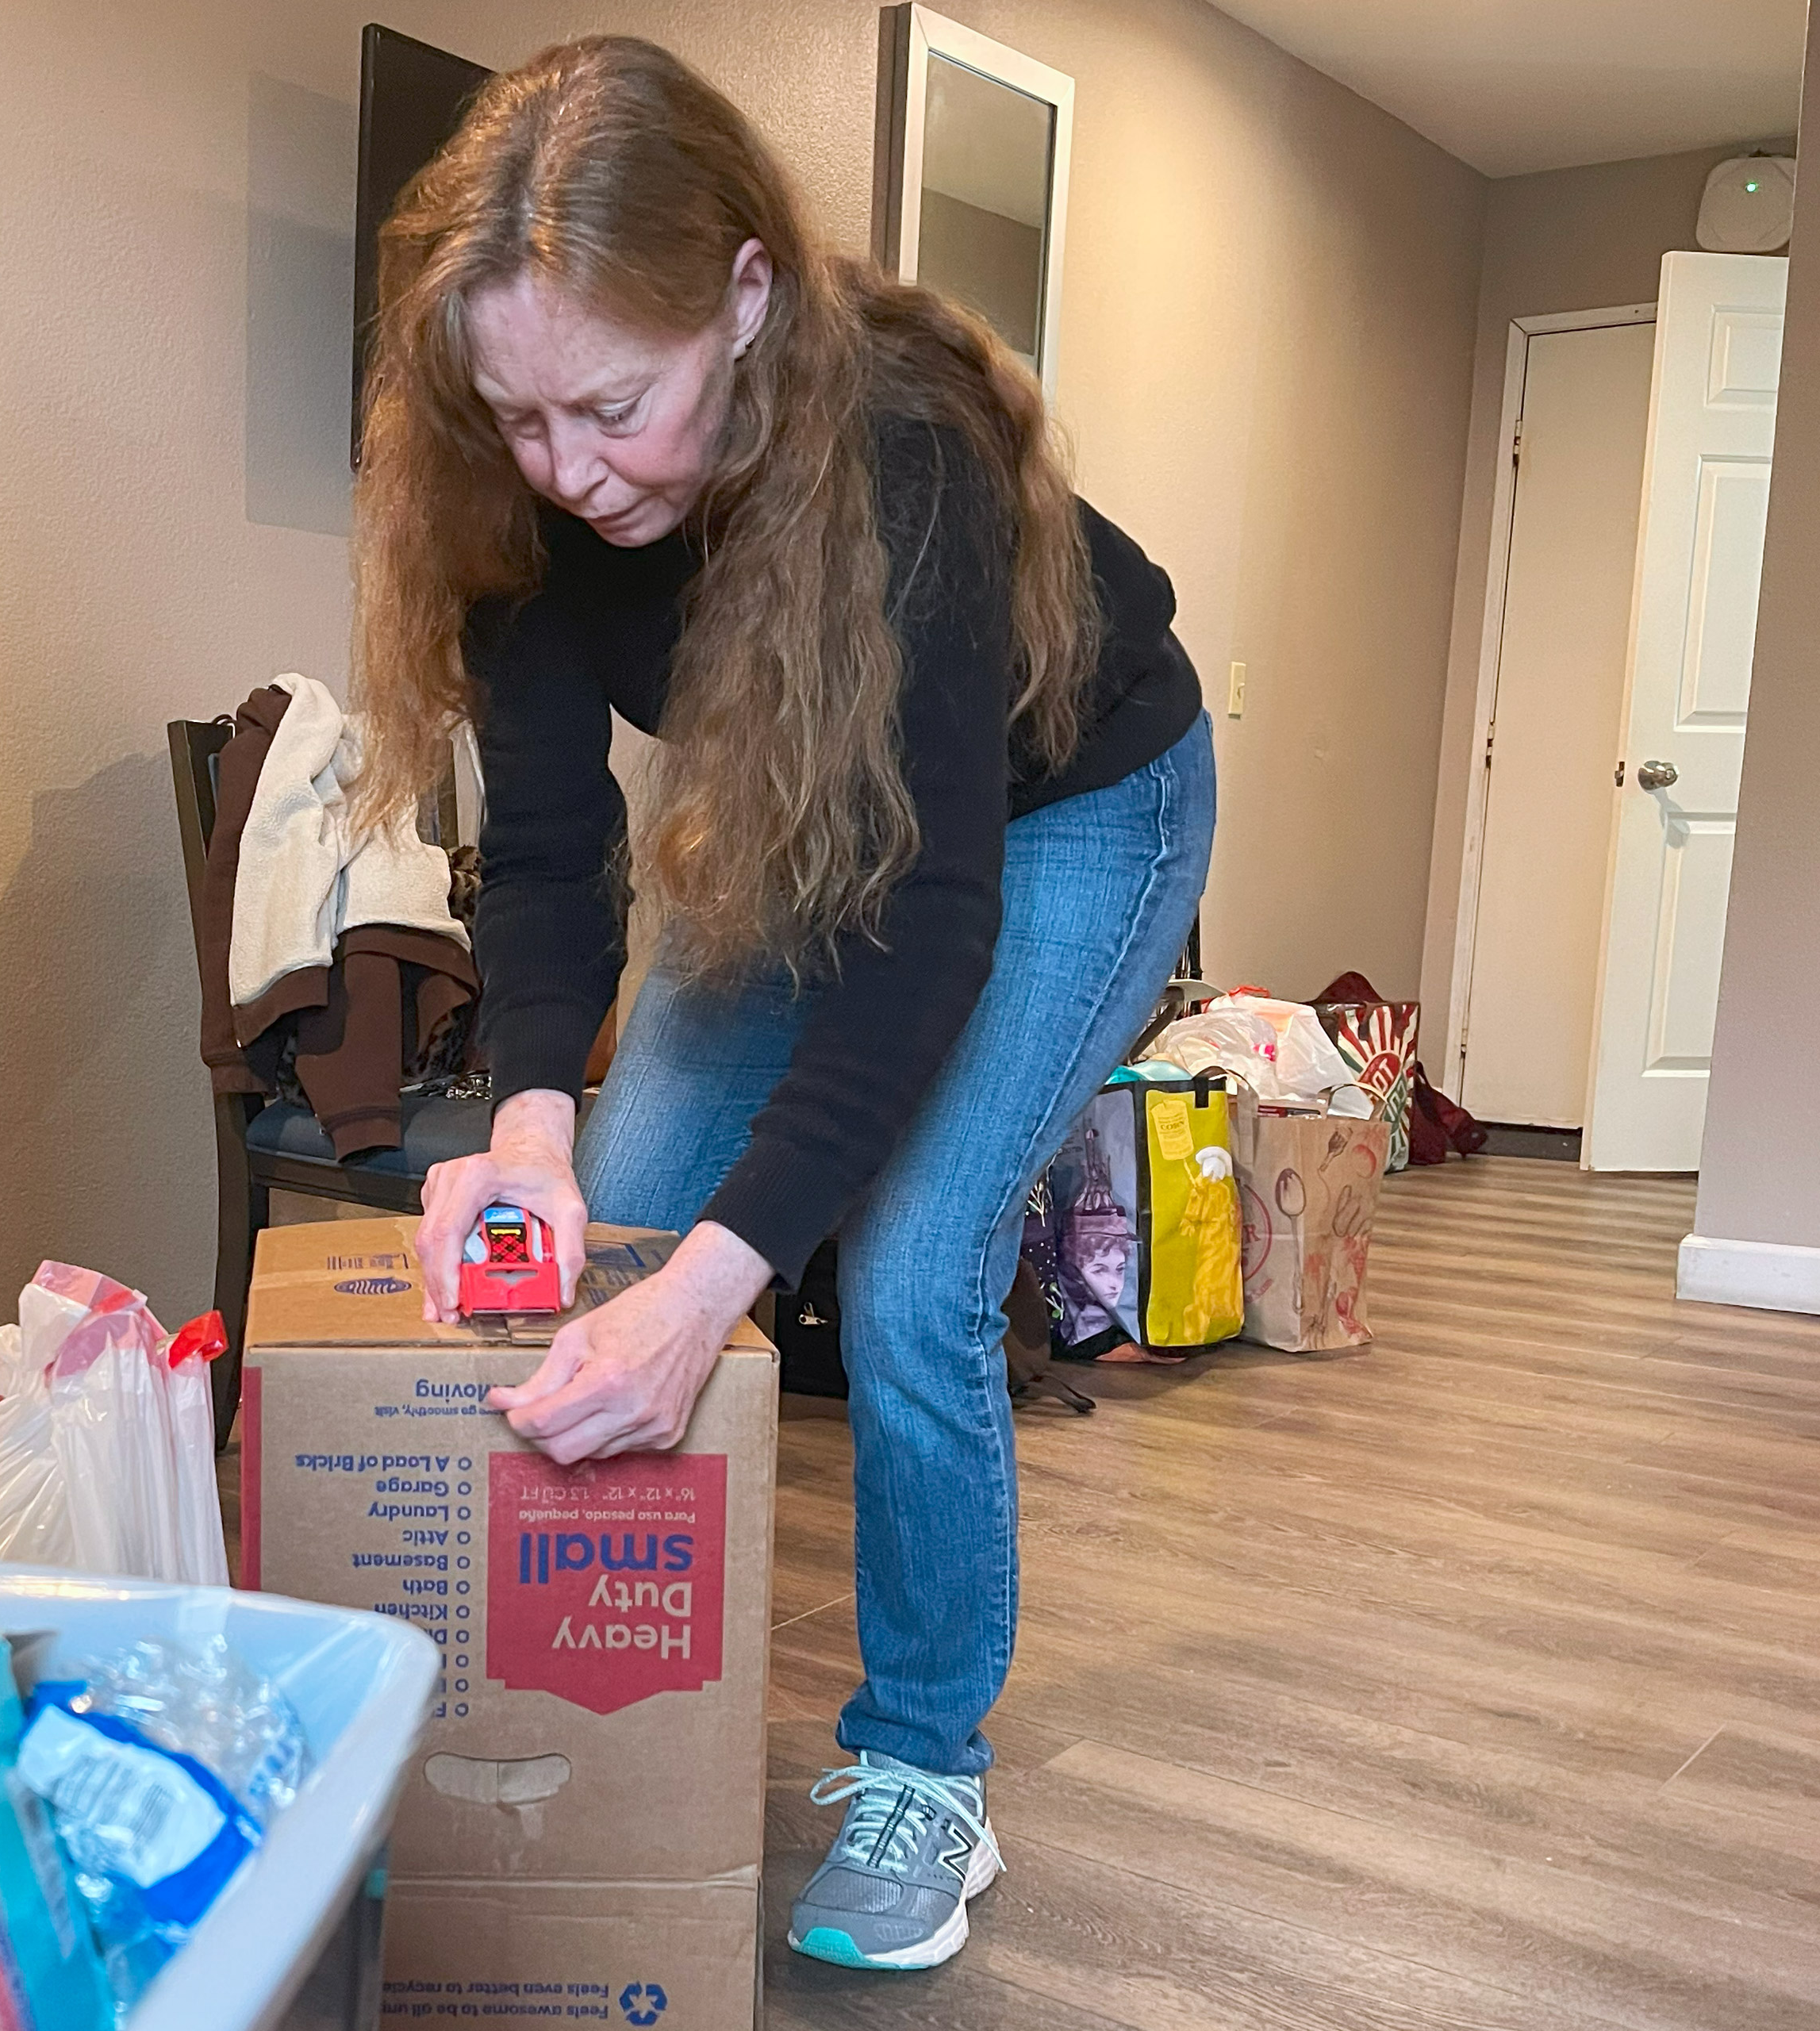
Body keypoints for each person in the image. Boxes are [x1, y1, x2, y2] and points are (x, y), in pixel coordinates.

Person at [349, 36, 1213, 1972]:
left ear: (743, 298)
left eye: (616, 406)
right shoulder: (520, 502)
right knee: (625, 1214)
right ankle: (577, 1717)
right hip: (813, 812)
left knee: (906, 1269)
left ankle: (923, 1760)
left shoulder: (902, 448)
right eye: (519, 417)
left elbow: (932, 917)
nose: (569, 470)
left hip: (1072, 808)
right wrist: (527, 1131)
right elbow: (559, 860)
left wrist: (735, 1268)